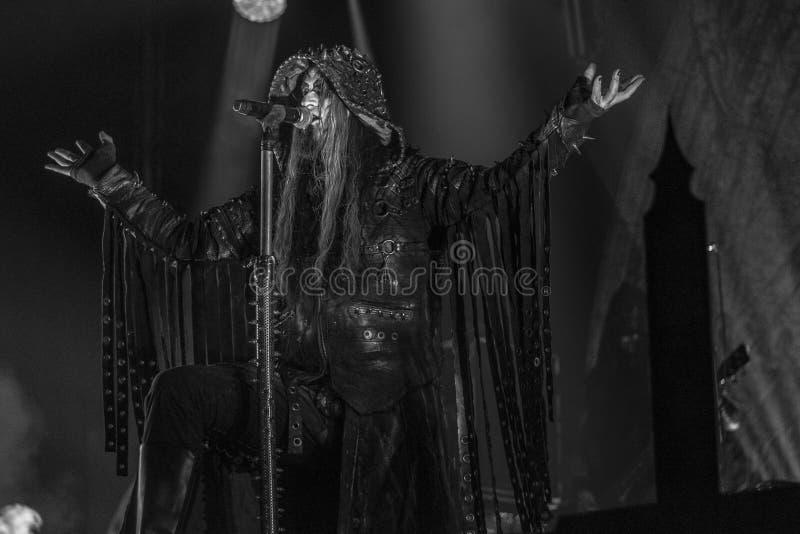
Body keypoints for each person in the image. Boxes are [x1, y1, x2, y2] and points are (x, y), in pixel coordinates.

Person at [46, 45, 643, 534]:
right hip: (301, 397)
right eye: (300, 89)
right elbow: (191, 240)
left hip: (379, 408)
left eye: (318, 90)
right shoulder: (281, 196)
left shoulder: (410, 181)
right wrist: (110, 181)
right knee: (179, 393)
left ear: (356, 109)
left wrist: (569, 122)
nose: (306, 100)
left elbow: (498, 189)